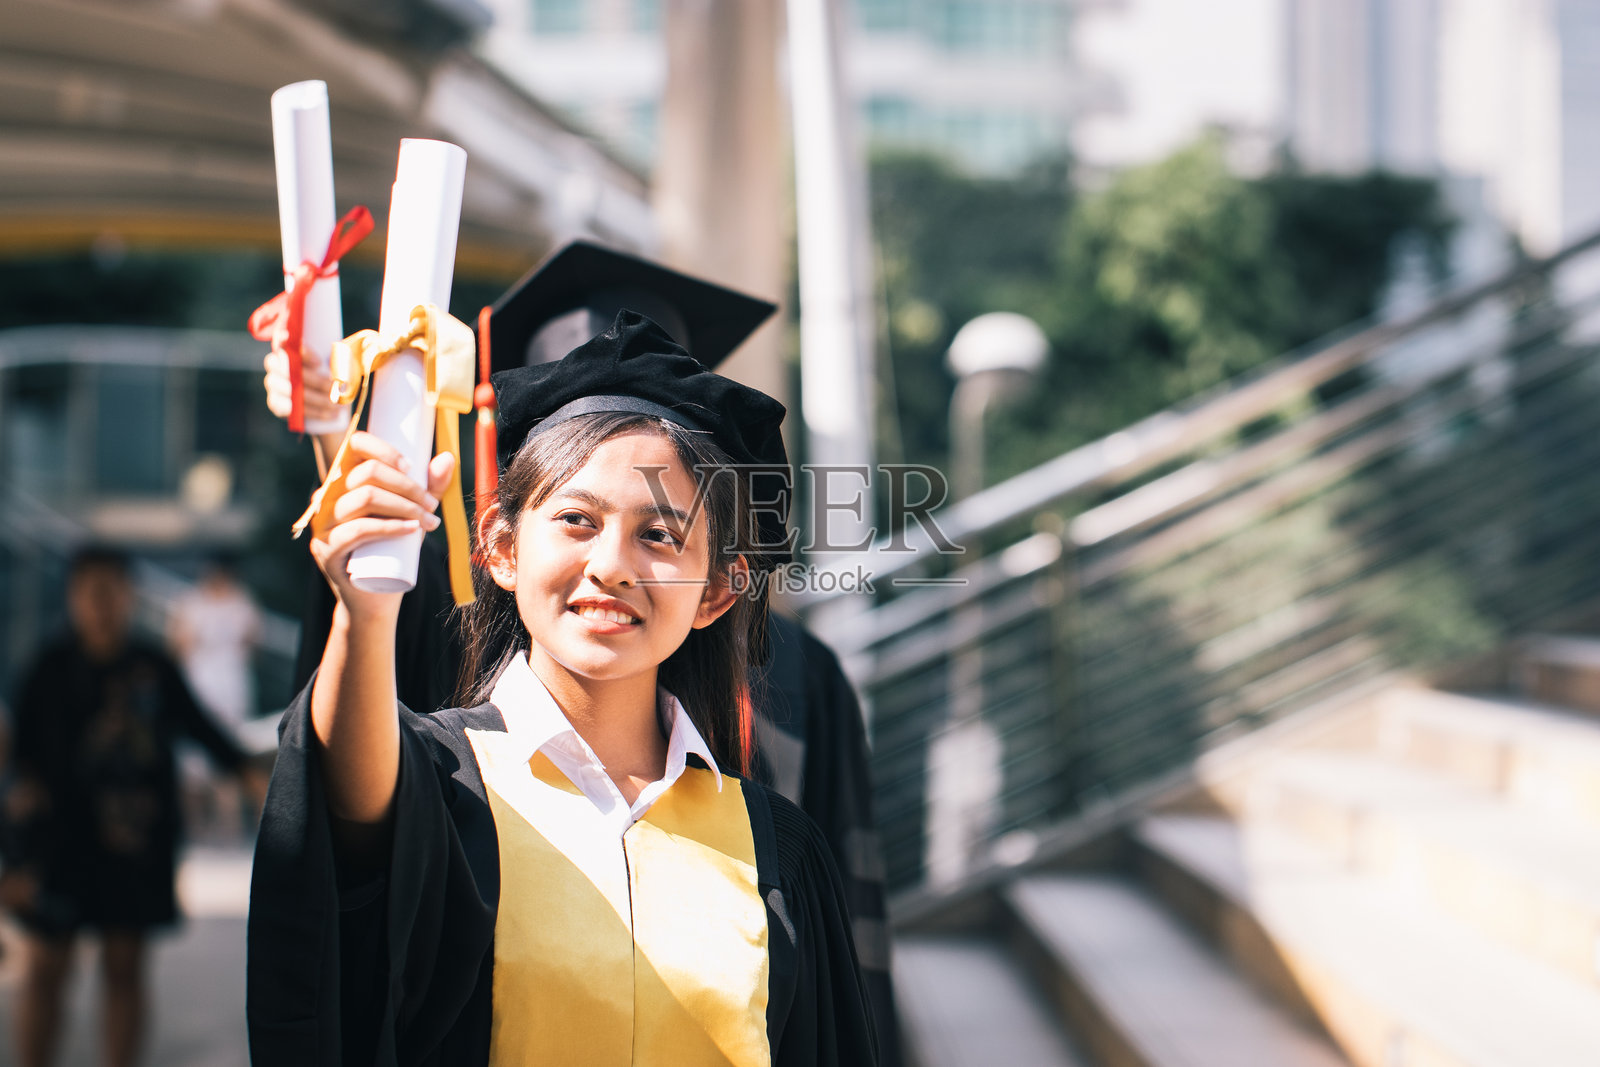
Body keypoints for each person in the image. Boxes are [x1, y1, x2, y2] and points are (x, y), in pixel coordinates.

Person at [264, 241, 902, 1064]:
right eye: (575, 519)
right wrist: (364, 604)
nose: (611, 564)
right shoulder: (437, 785)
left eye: (659, 534)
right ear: (499, 548)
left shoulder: (779, 850)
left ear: (717, 591)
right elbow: (338, 808)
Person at [1, 546, 261, 1067]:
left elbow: (201, 728)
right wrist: (13, 862)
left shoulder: (152, 667)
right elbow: (18, 768)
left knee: (125, 967)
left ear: (128, 597)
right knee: (47, 969)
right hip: (58, 845)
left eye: (111, 591)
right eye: (90, 592)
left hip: (135, 845)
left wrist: (252, 776)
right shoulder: (48, 669)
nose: (101, 604)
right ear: (73, 598)